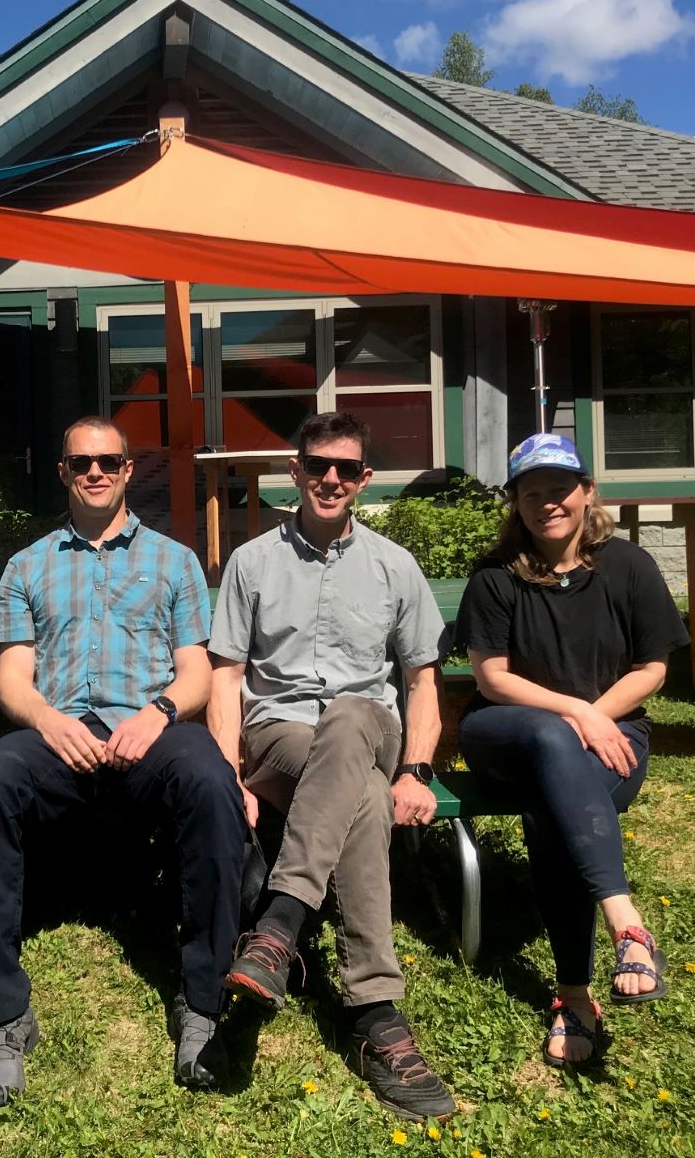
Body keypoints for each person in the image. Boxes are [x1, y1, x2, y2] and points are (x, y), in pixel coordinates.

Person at [0, 416, 246, 1105]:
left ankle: (202, 1002)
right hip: (60, 732)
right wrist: (49, 721)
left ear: (126, 470)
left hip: (150, 728)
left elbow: (196, 671)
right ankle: (0, 1015)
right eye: (80, 462)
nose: (94, 472)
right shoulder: (28, 565)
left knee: (210, 781)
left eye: (108, 462)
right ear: (63, 471)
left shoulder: (173, 561)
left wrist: (161, 713)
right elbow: (13, 680)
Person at [207, 410, 457, 1121]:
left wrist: (414, 768)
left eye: (346, 468)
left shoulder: (392, 566)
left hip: (369, 729)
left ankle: (278, 928)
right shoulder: (253, 564)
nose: (331, 478)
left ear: (365, 480)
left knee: (349, 717)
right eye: (318, 465)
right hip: (279, 735)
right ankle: (377, 1017)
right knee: (367, 803)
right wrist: (230, 769)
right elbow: (226, 677)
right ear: (296, 472)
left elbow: (420, 684)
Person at [455, 433, 688, 1067]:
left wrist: (595, 719)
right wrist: (579, 713)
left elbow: (652, 667)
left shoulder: (628, 566)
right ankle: (625, 921)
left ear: (586, 493)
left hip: (612, 738)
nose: (547, 504)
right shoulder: (495, 575)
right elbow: (492, 678)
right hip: (505, 731)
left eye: (560, 489)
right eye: (531, 493)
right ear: (515, 503)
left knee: (549, 815)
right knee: (549, 735)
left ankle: (574, 998)